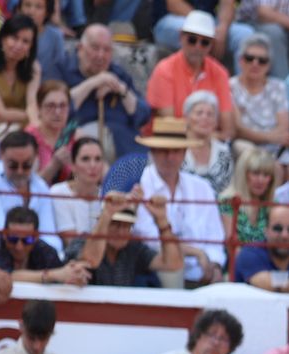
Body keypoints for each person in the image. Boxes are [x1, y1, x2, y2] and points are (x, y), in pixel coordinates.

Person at [131, 116, 227, 286]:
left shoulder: (202, 188)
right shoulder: (139, 186)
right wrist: (196, 253)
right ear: (153, 152)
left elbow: (216, 238)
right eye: (163, 151)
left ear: (184, 153)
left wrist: (215, 266)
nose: (170, 157)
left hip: (202, 273)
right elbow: (150, 241)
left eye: (176, 151)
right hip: (158, 272)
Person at [62, 24, 150, 162]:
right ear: (80, 48)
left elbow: (142, 115)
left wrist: (120, 89)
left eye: (107, 50)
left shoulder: (117, 74)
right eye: (95, 48)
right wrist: (94, 82)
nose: (100, 55)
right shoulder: (64, 69)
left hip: (126, 147)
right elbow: (61, 108)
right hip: (84, 147)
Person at [147, 11, 238, 143]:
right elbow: (170, 126)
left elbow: (228, 129)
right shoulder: (165, 70)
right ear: (181, 37)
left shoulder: (220, 73)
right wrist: (205, 135)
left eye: (205, 42)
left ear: (211, 45)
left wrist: (202, 136)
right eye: (192, 40)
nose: (197, 47)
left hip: (208, 145)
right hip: (170, 145)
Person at [0, 129, 63, 253]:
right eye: (13, 165)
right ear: (1, 155)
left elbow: (50, 236)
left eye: (26, 165)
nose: (20, 171)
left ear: (36, 157)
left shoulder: (40, 186)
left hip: (33, 256)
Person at [69, 191, 183, 286]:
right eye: (115, 224)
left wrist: (162, 221)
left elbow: (172, 264)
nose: (121, 232)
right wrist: (107, 214)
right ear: (102, 221)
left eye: (127, 225)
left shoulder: (133, 248)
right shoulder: (82, 240)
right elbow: (90, 261)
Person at [0, 204, 88, 285]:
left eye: (27, 240)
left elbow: (62, 275)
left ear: (36, 237)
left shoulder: (45, 250)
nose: (19, 247)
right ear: (4, 234)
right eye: (13, 239)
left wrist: (75, 275)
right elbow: (2, 276)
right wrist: (51, 275)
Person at [231, 32, 289, 159]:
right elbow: (238, 130)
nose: (255, 63)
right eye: (250, 58)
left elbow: (283, 129)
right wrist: (271, 137)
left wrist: (274, 138)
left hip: (276, 149)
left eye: (262, 61)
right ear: (241, 61)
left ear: (269, 65)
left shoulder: (278, 86)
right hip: (245, 148)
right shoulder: (230, 87)